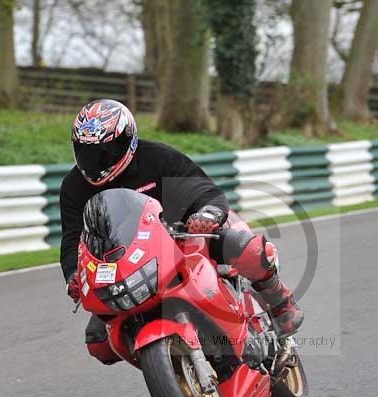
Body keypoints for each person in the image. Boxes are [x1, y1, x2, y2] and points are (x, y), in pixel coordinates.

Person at [59, 99, 303, 360]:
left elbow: (202, 189)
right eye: (88, 152)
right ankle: (170, 363)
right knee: (99, 343)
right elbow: (73, 238)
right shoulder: (74, 187)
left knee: (249, 249)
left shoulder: (158, 158)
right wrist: (74, 273)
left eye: (107, 151)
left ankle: (279, 301)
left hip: (185, 237)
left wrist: (206, 215)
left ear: (128, 139)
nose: (97, 161)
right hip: (125, 264)